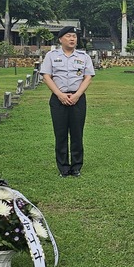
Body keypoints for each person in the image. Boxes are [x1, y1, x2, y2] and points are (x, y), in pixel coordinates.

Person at [39, 26, 94, 178]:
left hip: (78, 98)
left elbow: (88, 77)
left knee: (77, 134)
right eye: (69, 36)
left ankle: (76, 167)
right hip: (58, 99)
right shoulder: (51, 56)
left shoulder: (84, 57)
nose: (72, 39)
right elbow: (46, 76)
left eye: (74, 36)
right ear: (60, 39)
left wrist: (77, 95)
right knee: (60, 134)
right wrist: (59, 94)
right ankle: (63, 167)